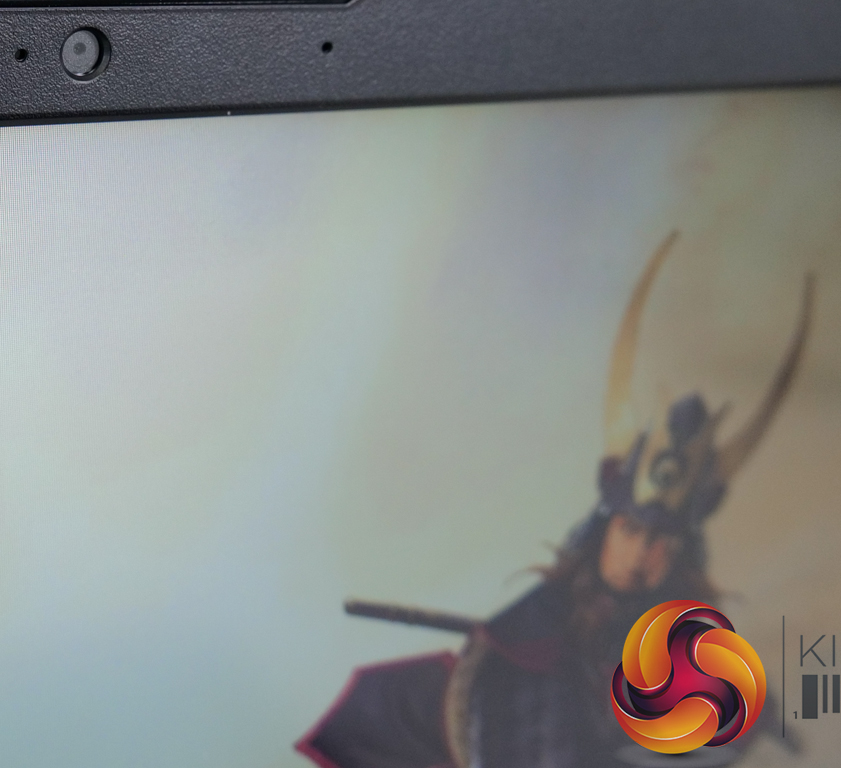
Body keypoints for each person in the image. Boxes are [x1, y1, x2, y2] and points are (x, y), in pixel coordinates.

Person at [299, 235, 809, 768]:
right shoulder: (530, 644)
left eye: (661, 540)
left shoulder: (687, 644)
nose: (642, 554)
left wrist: (740, 715)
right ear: (604, 531)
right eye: (631, 531)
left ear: (681, 554)